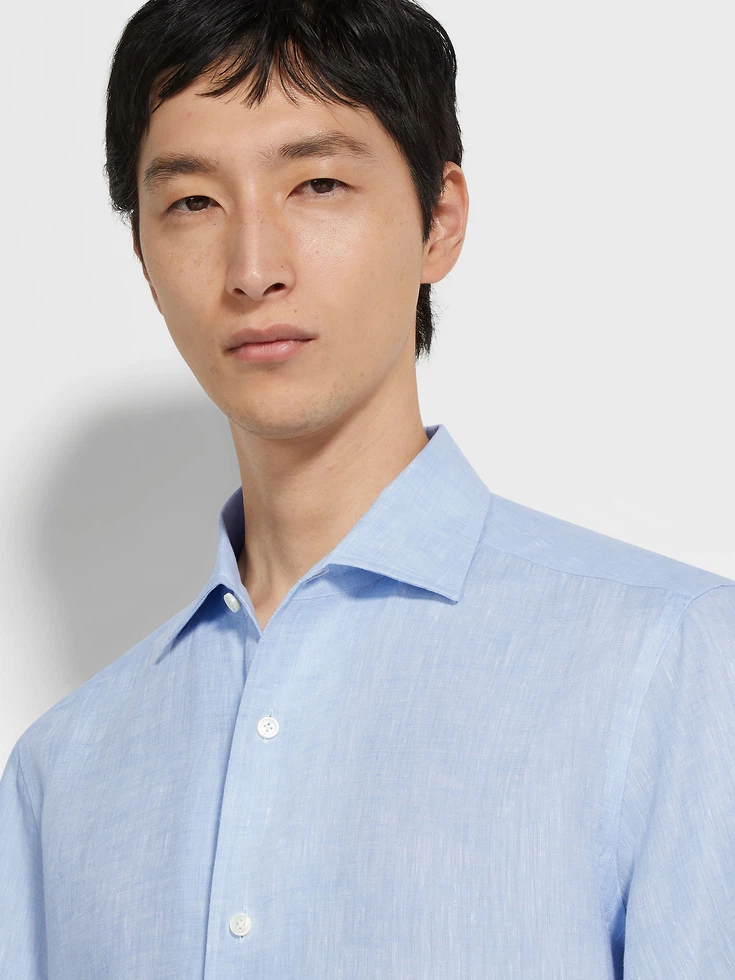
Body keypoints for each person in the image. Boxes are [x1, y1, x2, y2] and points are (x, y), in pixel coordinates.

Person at [1, 0, 734, 976]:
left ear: (440, 221)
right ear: (142, 254)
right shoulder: (60, 773)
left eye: (317, 183)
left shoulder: (672, 659)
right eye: (193, 203)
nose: (253, 269)